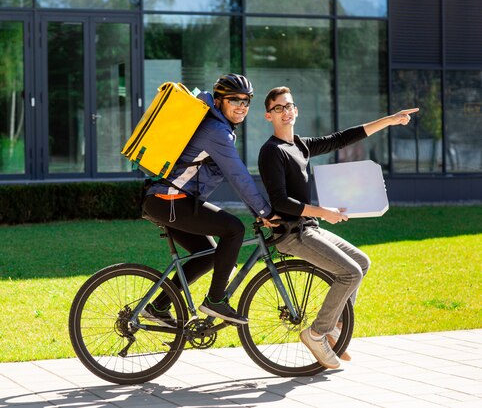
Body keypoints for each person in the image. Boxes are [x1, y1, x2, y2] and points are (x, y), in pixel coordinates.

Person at [258, 86, 418, 369]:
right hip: (291, 234)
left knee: (361, 262)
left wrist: (389, 120)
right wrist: (323, 212)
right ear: (268, 115)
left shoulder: (300, 145)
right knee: (350, 273)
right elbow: (281, 202)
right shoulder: (271, 151)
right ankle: (316, 333)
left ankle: (334, 327)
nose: (285, 112)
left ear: (297, 110)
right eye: (278, 108)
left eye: (289, 106)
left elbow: (343, 138)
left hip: (308, 228)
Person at [141, 73, 276, 326]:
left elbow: (235, 178)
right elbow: (238, 175)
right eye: (234, 100)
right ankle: (215, 301)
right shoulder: (216, 131)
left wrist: (259, 210)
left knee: (209, 254)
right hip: (170, 199)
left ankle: (158, 307)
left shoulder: (218, 128)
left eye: (246, 101)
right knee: (233, 229)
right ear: (218, 101)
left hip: (169, 200)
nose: (241, 106)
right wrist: (265, 212)